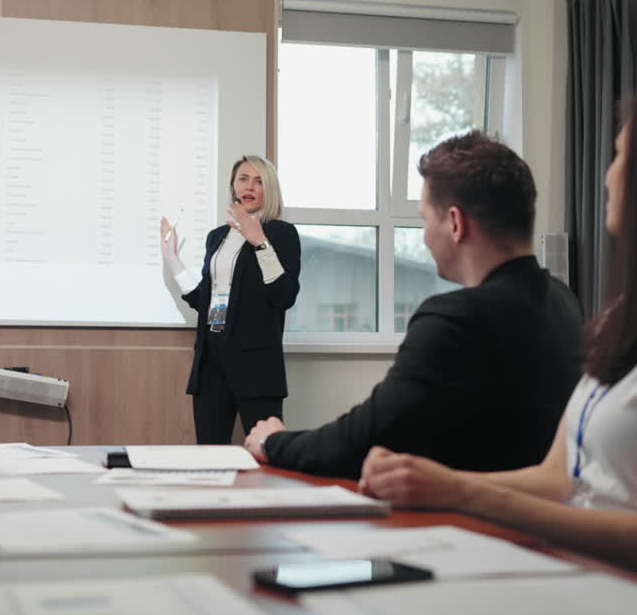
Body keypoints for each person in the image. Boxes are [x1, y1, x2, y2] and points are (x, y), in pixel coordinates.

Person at [358, 84, 637, 608]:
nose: (607, 175)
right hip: (587, 574)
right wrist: (431, 483)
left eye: (620, 156)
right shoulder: (635, 317)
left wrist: (461, 493)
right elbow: (559, 477)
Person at [243, 131, 583, 478]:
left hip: (465, 512)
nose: (425, 236)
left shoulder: (456, 319)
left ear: (455, 223)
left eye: (425, 219)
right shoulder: (564, 301)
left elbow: (363, 441)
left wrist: (274, 441)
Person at [161, 155, 300, 444]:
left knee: (265, 452)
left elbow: (284, 295)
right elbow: (207, 301)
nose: (249, 186)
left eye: (259, 181)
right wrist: (172, 259)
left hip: (257, 365)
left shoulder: (281, 233)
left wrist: (259, 242)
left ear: (270, 189)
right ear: (233, 186)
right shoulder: (217, 237)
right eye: (243, 179)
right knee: (210, 456)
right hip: (211, 360)